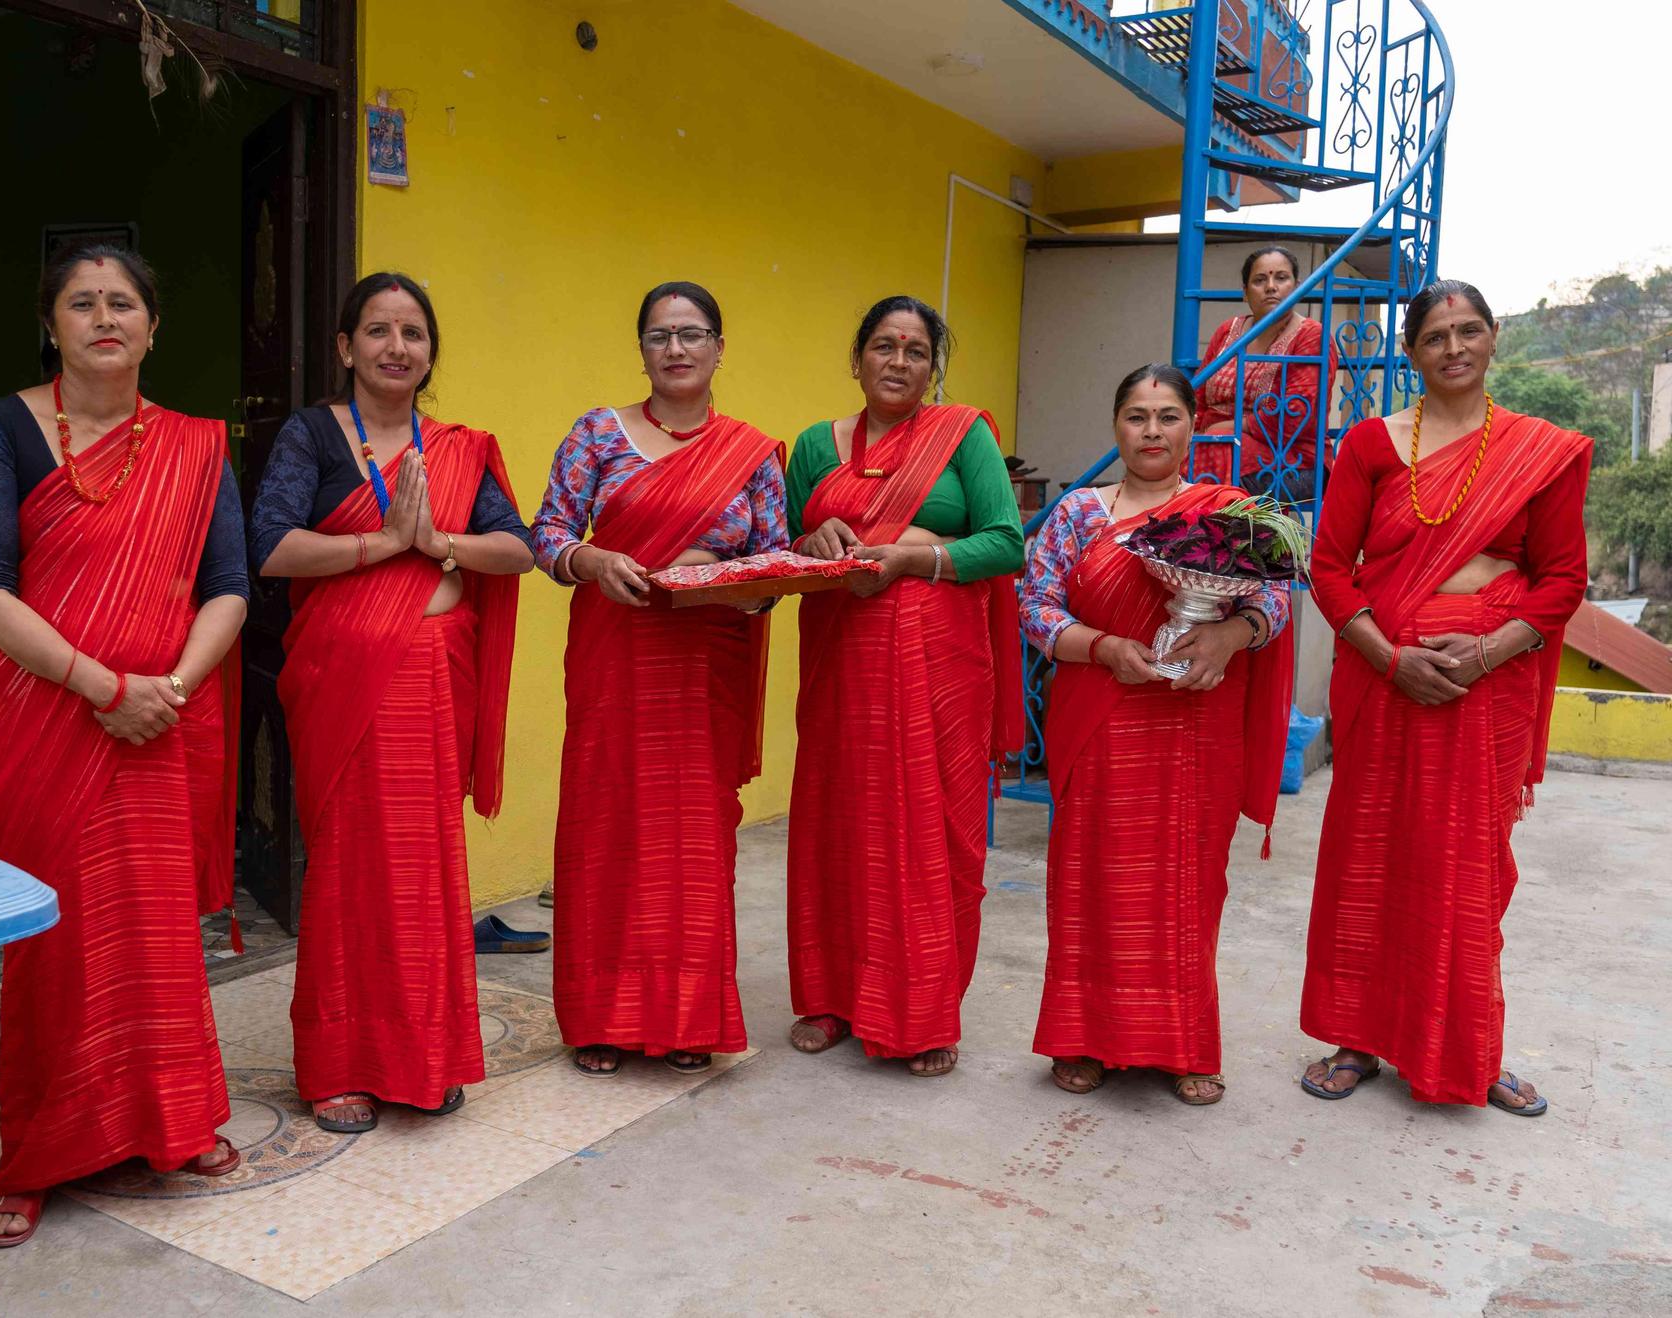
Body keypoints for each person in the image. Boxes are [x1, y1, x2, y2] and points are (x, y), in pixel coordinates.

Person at [0, 244, 247, 1247]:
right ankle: (36, 1149)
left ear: (154, 327)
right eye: (82, 302)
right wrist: (100, 685)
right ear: (52, 323)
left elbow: (229, 588)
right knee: (52, 936)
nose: (104, 316)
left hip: (160, 717)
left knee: (155, 932)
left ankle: (172, 1119)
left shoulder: (199, 447)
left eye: (123, 302)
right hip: (46, 718)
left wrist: (169, 690)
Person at [1299, 279, 1592, 1115]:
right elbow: (1328, 569)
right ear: (1412, 352)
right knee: (1372, 853)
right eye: (1435, 336)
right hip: (1386, 676)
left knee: (1466, 866)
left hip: (1487, 685)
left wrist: (1491, 650)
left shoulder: (1538, 450)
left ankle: (1469, 1046)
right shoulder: (1370, 445)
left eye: (1469, 331)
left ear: (1494, 338)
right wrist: (1392, 660)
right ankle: (1358, 1036)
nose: (1454, 347)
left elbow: (1562, 578)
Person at [249, 272, 530, 1132]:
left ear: (430, 352)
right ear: (346, 348)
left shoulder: (459, 447)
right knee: (348, 874)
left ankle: (421, 1055)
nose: (396, 347)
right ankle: (339, 1064)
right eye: (377, 330)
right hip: (345, 683)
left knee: (423, 872)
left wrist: (439, 541)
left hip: (434, 683)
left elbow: (516, 551)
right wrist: (384, 545)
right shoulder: (311, 437)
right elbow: (270, 546)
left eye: (413, 333)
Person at [528, 281, 788, 1077]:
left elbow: (777, 561)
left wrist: (724, 577)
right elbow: (546, 533)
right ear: (641, 349)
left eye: (692, 334)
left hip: (706, 662)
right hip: (618, 653)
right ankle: (601, 1019)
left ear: (719, 348)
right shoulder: (597, 435)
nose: (676, 349)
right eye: (659, 335)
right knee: (608, 829)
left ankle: (684, 1018)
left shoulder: (752, 452)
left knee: (692, 840)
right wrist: (593, 558)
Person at [1021, 364, 1293, 1105]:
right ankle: (1082, 1038)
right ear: (1116, 426)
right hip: (1103, 715)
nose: (1151, 431)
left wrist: (1230, 637)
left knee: (1185, 883)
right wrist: (1105, 648)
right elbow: (1036, 607)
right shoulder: (1080, 513)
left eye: (1167, 416)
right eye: (1136, 416)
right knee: (1092, 882)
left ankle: (1182, 1042)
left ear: (1192, 428)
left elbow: (1275, 598)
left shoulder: (1229, 511)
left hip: (1194, 720)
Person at [783, 295, 1024, 1078]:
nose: (897, 361)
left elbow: (1005, 542)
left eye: (915, 351)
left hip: (939, 673)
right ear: (856, 359)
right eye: (883, 346)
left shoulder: (966, 437)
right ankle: (828, 997)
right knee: (835, 819)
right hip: (841, 662)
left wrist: (917, 557)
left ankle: (923, 1012)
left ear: (932, 369)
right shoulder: (815, 448)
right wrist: (811, 538)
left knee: (931, 828)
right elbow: (784, 548)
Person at [1192, 245, 1340, 500]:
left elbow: (1298, 416)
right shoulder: (1228, 331)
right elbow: (1199, 395)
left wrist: (1232, 427)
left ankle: (1213, 531)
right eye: (1259, 280)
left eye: (1281, 278)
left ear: (1297, 286)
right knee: (1165, 447)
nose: (1271, 286)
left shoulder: (1311, 337)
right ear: (1245, 292)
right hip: (1214, 443)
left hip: (1295, 460)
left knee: (1219, 444)